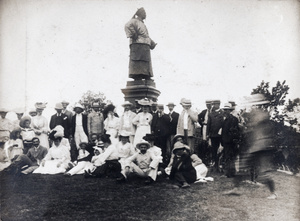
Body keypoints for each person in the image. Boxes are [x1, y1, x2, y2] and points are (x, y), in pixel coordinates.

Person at [223, 94, 278, 199]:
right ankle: (236, 189)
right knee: (243, 166)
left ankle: (273, 193)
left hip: (263, 147)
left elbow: (261, 127)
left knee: (264, 173)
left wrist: (249, 125)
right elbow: (252, 129)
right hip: (255, 146)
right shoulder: (255, 113)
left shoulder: (263, 114)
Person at [124, 7, 157, 80]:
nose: (145, 14)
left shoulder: (142, 24)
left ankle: (146, 75)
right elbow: (127, 26)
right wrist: (133, 34)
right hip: (137, 44)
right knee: (138, 61)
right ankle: (137, 76)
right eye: (144, 12)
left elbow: (145, 36)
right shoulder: (134, 21)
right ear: (139, 13)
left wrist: (152, 43)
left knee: (146, 62)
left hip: (145, 45)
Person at [220, 103, 240, 177]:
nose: (225, 111)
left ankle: (230, 173)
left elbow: (234, 131)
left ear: (230, 110)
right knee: (228, 156)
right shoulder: (226, 120)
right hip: (226, 141)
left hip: (230, 142)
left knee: (230, 156)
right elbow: (223, 131)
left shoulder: (233, 119)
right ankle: (230, 172)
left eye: (227, 110)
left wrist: (232, 140)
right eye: (224, 110)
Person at [206, 100, 224, 169]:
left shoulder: (222, 113)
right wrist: (208, 134)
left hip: (221, 135)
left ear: (219, 104)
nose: (215, 106)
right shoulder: (211, 114)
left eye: (216, 104)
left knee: (221, 150)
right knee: (214, 150)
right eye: (214, 104)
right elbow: (208, 125)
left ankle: (221, 164)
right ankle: (215, 165)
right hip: (213, 135)